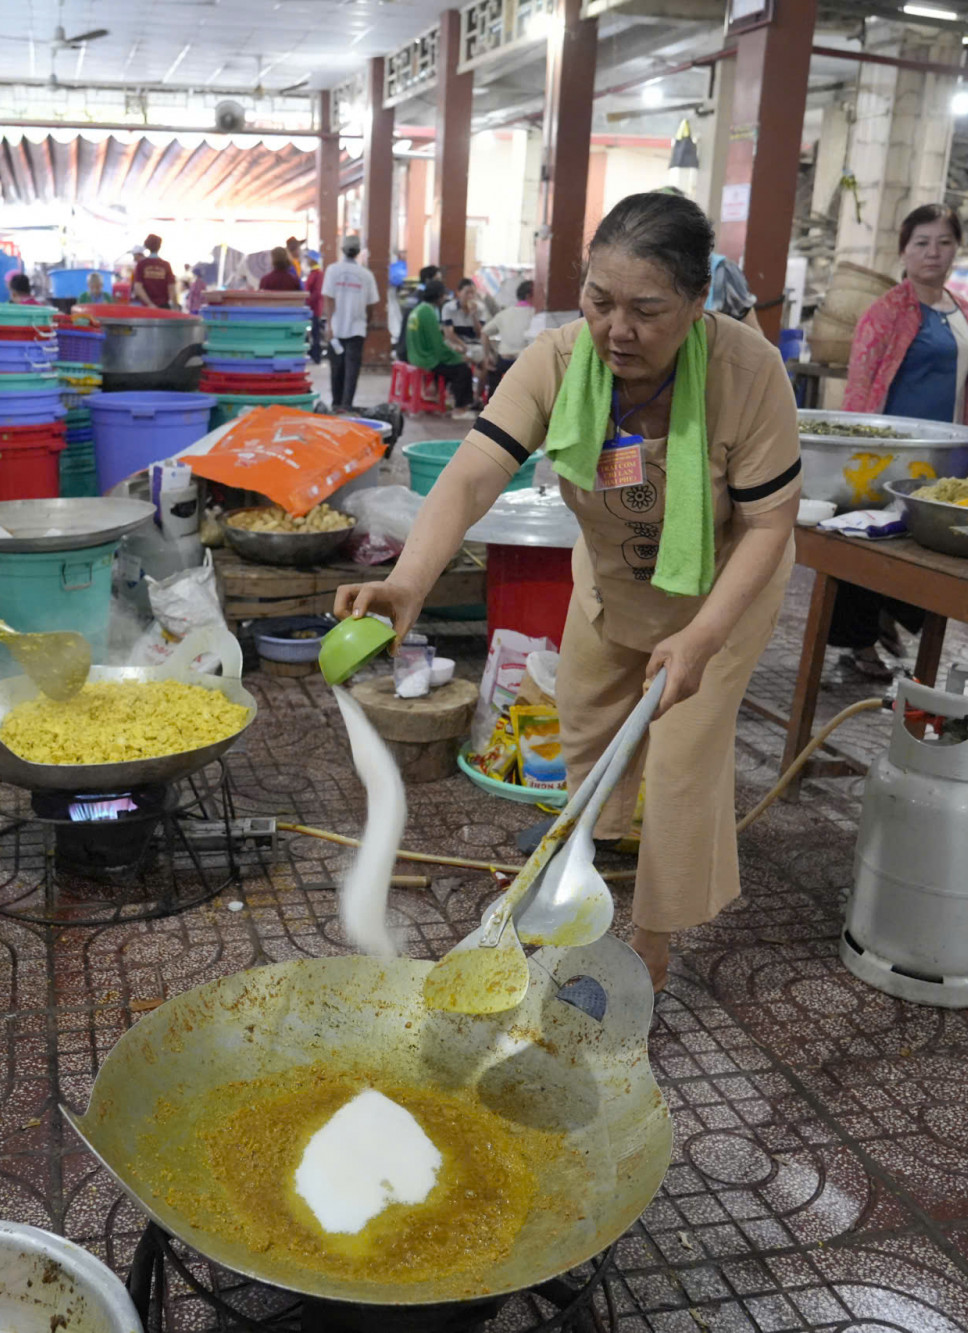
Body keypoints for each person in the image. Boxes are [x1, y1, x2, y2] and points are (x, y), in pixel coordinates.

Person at [337, 192, 802, 990]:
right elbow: (478, 467)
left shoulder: (748, 373)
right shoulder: (557, 360)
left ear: (697, 304)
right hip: (615, 578)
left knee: (685, 764)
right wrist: (410, 579)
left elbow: (768, 527)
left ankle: (647, 956)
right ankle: (598, 850)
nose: (617, 329)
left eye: (647, 309)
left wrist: (698, 639)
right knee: (586, 723)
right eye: (599, 300)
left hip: (719, 597)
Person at [832, 203, 968, 679]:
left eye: (943, 242)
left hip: (944, 454)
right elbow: (859, 386)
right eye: (921, 243)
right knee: (873, 542)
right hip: (889, 456)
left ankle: (887, 622)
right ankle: (858, 644)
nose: (932, 253)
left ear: (957, 249)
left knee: (923, 545)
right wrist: (855, 454)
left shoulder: (965, 312)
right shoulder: (886, 311)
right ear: (903, 251)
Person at [322, 236, 381, 411]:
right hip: (357, 329)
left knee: (336, 368)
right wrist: (366, 323)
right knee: (352, 370)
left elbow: (329, 299)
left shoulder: (332, 270)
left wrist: (330, 325)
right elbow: (371, 305)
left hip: (336, 329)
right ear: (357, 252)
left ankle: (336, 403)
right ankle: (346, 405)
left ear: (342, 250)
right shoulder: (366, 275)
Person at [406, 278, 474, 417]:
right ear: (438, 296)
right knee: (463, 370)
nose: (444, 298)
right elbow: (438, 348)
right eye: (443, 295)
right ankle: (460, 409)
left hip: (415, 355)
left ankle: (438, 396)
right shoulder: (428, 313)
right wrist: (458, 357)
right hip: (426, 358)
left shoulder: (418, 310)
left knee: (452, 367)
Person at [131, 235, 177, 309]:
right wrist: (172, 303)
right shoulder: (166, 265)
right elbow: (171, 287)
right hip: (164, 307)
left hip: (146, 308)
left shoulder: (141, 265)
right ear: (159, 247)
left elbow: (138, 287)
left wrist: (150, 304)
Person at [305, 258, 326, 362]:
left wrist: (307, 302)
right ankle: (314, 354)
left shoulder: (318, 274)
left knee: (315, 332)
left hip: (315, 308)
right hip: (312, 307)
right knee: (313, 332)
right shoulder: (313, 273)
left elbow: (317, 292)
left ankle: (316, 355)